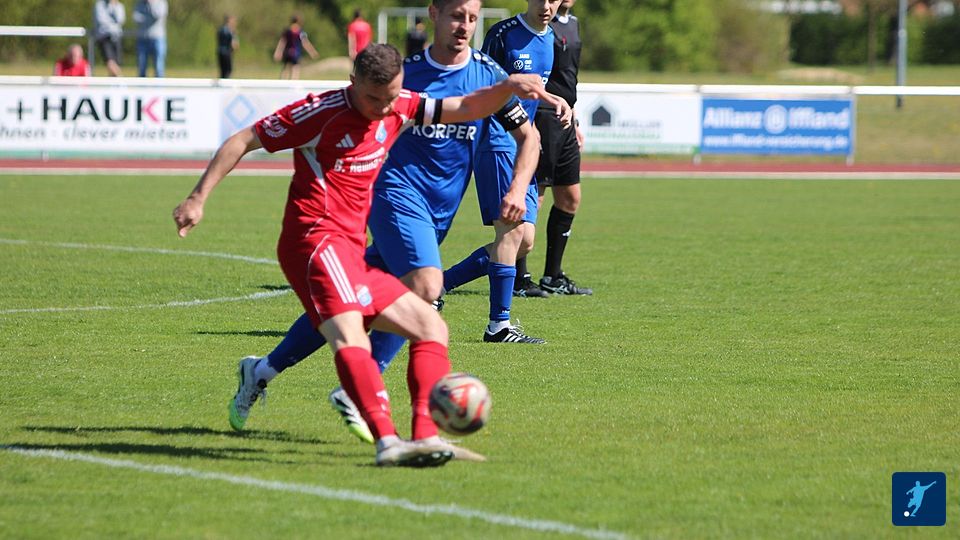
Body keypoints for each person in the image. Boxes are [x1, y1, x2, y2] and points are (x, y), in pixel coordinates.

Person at [173, 43, 560, 467]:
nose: (383, 108)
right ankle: (387, 442)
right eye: (374, 98)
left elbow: (466, 107)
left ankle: (424, 436)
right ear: (352, 82)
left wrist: (507, 86)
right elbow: (243, 139)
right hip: (314, 243)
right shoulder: (319, 112)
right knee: (350, 334)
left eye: (391, 97)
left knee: (430, 324)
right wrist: (197, 197)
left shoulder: (401, 105)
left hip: (351, 250)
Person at [441, 0, 562, 342]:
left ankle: (439, 285)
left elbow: (530, 92)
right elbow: (479, 82)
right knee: (510, 233)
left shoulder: (551, 38)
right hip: (495, 140)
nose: (546, 5)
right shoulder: (503, 34)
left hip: (523, 145)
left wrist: (553, 103)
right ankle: (499, 325)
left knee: (524, 241)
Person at [530, 0, 592, 295]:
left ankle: (552, 276)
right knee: (535, 197)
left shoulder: (574, 24)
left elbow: (570, 77)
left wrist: (575, 120)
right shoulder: (541, 22)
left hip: (566, 119)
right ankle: (518, 277)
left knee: (570, 197)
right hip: (542, 115)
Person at [273, 15, 320, 80]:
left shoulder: (287, 31)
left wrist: (278, 52)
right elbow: (305, 43)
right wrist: (312, 52)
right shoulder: (300, 32)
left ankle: (282, 83)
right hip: (295, 53)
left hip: (287, 52)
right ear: (299, 21)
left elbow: (282, 42)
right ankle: (294, 83)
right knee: (295, 69)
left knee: (285, 68)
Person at [133, 0, 168, 77]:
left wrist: (151, 4)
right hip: (142, 38)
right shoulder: (140, 3)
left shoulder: (161, 2)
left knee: (159, 67)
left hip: (158, 38)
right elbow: (136, 18)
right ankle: (142, 85)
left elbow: (157, 16)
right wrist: (149, 19)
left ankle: (159, 85)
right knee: (141, 66)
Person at [92, 0, 124, 77]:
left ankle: (115, 82)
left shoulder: (119, 5)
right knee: (110, 62)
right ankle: (121, 80)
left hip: (116, 36)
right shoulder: (99, 4)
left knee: (116, 64)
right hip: (104, 37)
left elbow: (120, 20)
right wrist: (114, 25)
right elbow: (101, 20)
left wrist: (114, 7)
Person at [216, 15, 239, 79]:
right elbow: (234, 44)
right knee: (228, 70)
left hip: (220, 51)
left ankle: (222, 81)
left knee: (222, 71)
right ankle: (226, 82)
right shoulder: (230, 31)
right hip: (227, 52)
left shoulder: (220, 29)